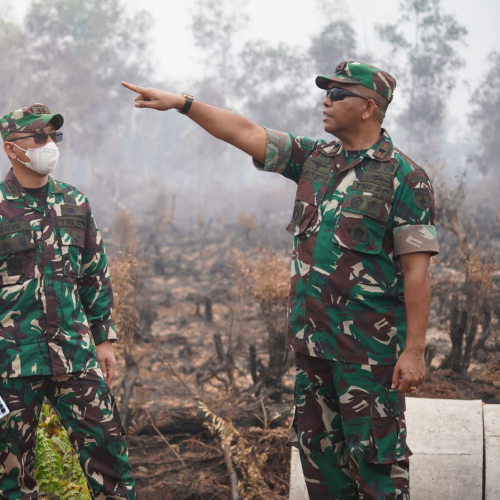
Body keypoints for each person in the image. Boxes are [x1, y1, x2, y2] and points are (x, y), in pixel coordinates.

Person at [122, 61, 437, 500]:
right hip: (312, 351)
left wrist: (415, 351)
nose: (325, 102)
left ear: (368, 107)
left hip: (368, 360)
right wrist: (184, 104)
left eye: (337, 94)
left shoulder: (406, 179)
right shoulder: (315, 160)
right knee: (322, 469)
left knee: (378, 471)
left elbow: (416, 271)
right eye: (325, 92)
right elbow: (245, 131)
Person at [0, 103, 136, 499]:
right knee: (14, 475)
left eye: (55, 137)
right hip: (11, 363)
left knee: (111, 456)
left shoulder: (75, 203)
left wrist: (103, 338)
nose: (50, 144)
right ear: (11, 148)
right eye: (39, 137)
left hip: (76, 354)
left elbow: (94, 274)